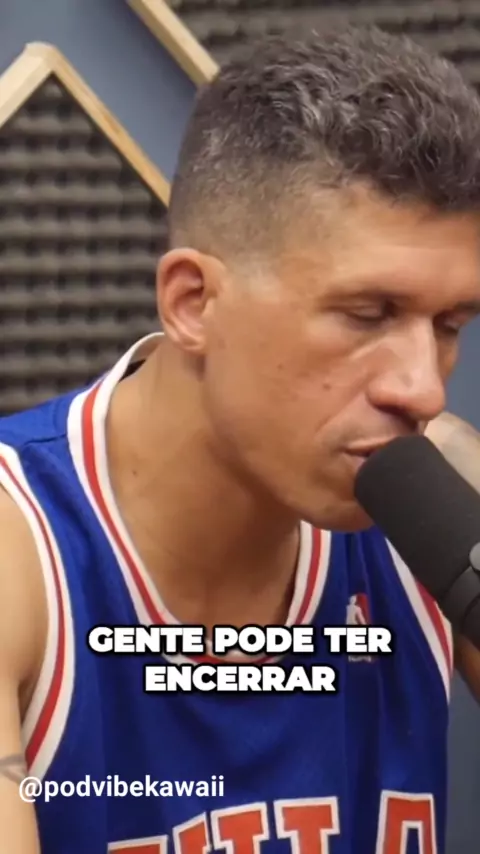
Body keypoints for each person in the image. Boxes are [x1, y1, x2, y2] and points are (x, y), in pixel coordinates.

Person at [2, 23, 480, 854]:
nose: (422, 389)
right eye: (367, 315)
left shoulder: (442, 502)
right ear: (194, 302)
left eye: (448, 325)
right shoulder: (21, 553)